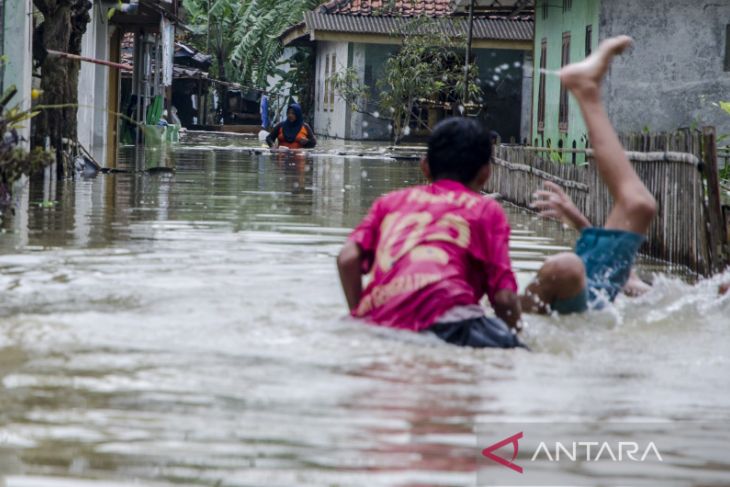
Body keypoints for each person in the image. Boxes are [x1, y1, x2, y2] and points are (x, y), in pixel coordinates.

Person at [337, 117, 524, 349]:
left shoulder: (390, 202)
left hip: (378, 322)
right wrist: (516, 336)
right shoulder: (485, 209)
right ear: (485, 173)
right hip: (449, 323)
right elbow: (504, 299)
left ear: (424, 166)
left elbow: (347, 259)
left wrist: (362, 318)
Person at [521, 36, 657, 315]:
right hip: (587, 304)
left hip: (586, 305)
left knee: (639, 206)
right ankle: (585, 90)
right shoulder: (624, 281)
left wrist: (576, 218)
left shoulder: (628, 283)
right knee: (639, 206)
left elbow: (618, 271)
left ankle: (585, 90)